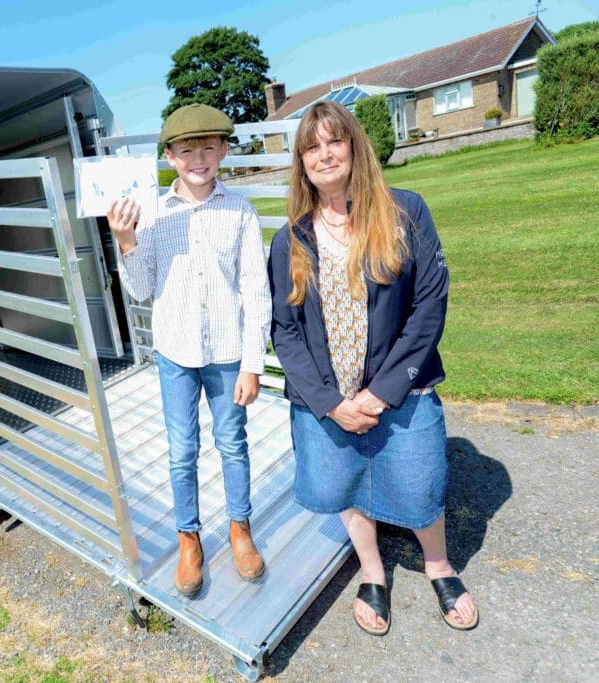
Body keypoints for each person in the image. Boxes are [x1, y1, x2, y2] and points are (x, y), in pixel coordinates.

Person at [267, 100, 478, 635]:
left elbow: (430, 304)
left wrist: (381, 394)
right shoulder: (290, 238)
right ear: (301, 163)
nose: (324, 154)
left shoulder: (404, 210)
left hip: (402, 392)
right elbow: (285, 333)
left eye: (334, 140)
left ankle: (438, 566)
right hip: (328, 402)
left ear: (354, 145)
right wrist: (331, 404)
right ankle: (372, 571)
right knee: (345, 485)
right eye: (311, 147)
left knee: (419, 481)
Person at [107, 103, 272, 597]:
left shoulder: (239, 211)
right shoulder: (150, 213)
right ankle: (189, 538)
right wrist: (126, 241)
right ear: (170, 158)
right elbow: (140, 291)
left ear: (223, 150)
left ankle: (239, 529)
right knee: (182, 451)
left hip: (225, 353)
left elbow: (254, 290)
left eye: (207, 147)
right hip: (175, 353)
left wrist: (252, 364)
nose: (197, 157)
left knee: (232, 443)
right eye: (185, 150)